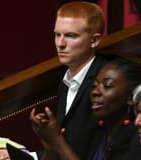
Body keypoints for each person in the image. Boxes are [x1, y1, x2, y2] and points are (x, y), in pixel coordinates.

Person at [31, 59, 141, 160]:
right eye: (94, 85)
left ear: (131, 97)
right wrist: (50, 146)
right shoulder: (98, 128)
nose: (95, 92)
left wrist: (57, 140)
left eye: (107, 86)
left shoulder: (140, 138)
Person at [52, 1, 109, 158]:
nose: (60, 44)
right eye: (57, 34)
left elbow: (82, 150)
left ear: (95, 40)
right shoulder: (66, 79)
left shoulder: (105, 85)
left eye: (71, 36)